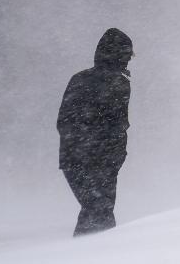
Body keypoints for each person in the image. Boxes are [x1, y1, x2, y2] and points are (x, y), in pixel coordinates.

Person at [57, 28, 133, 236]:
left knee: (94, 211)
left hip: (72, 160)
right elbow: (118, 124)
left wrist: (77, 145)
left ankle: (85, 257)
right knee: (100, 213)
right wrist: (113, 156)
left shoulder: (78, 79)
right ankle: (91, 259)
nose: (129, 61)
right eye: (128, 55)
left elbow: (63, 122)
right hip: (100, 161)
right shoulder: (118, 83)